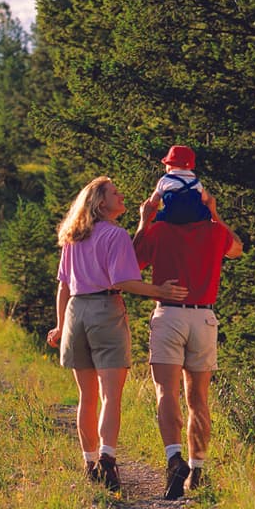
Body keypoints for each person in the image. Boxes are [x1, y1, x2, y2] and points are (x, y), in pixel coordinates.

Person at [46, 176, 188, 491]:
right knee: (111, 394)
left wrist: (59, 325)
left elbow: (64, 286)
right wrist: (159, 289)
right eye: (114, 193)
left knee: (87, 396)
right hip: (105, 312)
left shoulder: (73, 237)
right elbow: (124, 281)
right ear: (100, 203)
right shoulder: (115, 235)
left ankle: (89, 462)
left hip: (75, 313)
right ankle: (108, 461)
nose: (121, 195)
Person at [134, 191, 243, 499]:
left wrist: (144, 219)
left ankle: (173, 459)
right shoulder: (214, 231)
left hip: (168, 314)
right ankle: (197, 470)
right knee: (198, 398)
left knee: (166, 392)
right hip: (204, 318)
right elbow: (237, 250)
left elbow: (135, 260)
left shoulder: (159, 230)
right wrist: (215, 214)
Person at [147, 145, 212, 224]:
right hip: (195, 216)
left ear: (170, 166)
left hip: (172, 215)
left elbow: (155, 199)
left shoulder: (165, 179)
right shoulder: (195, 181)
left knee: (160, 217)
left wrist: (151, 206)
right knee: (206, 214)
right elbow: (204, 198)